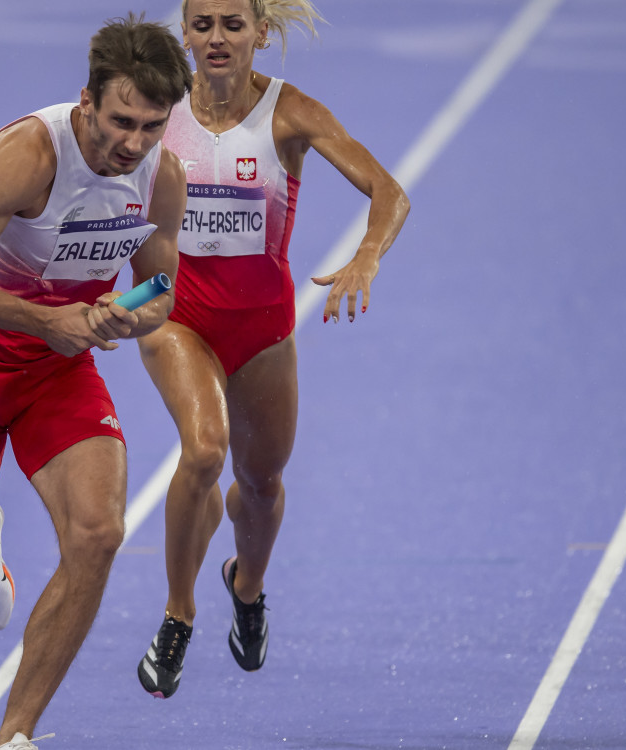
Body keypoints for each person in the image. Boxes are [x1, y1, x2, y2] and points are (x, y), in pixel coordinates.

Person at [0, 15, 192, 750]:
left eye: (152, 126)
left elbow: (159, 288)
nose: (133, 143)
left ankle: (16, 735)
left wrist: (132, 318)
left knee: (97, 534)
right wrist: (46, 319)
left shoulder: (163, 176)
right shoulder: (30, 155)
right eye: (121, 121)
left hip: (57, 374)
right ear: (85, 101)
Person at [136, 0, 410, 699]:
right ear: (186, 35)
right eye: (203, 25)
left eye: (233, 24)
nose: (218, 38)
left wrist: (367, 258)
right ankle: (177, 614)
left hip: (262, 330)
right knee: (202, 451)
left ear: (261, 33)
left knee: (260, 486)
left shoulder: (291, 114)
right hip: (178, 318)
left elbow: (389, 191)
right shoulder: (158, 113)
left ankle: (246, 585)